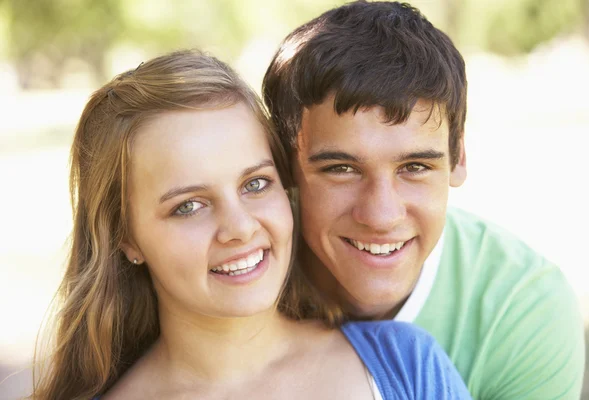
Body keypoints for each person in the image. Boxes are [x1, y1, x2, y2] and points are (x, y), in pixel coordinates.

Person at [30, 49, 471, 400]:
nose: (239, 227)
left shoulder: (403, 365)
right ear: (125, 236)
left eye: (256, 183)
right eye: (188, 206)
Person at [262, 1, 585, 399]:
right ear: (285, 167)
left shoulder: (522, 311)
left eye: (414, 167)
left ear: (458, 158)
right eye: (341, 169)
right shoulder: (236, 272)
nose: (380, 216)